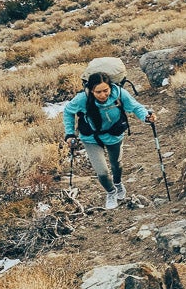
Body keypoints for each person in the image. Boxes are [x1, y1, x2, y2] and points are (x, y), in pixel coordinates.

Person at [61, 57, 148, 209]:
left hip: (114, 134)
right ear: (91, 90)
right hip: (90, 137)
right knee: (102, 172)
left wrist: (146, 116)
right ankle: (111, 192)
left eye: (106, 90)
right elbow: (68, 112)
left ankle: (118, 183)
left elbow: (136, 107)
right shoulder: (82, 98)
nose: (103, 95)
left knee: (117, 165)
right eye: (98, 92)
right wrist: (69, 134)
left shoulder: (119, 93)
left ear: (110, 87)